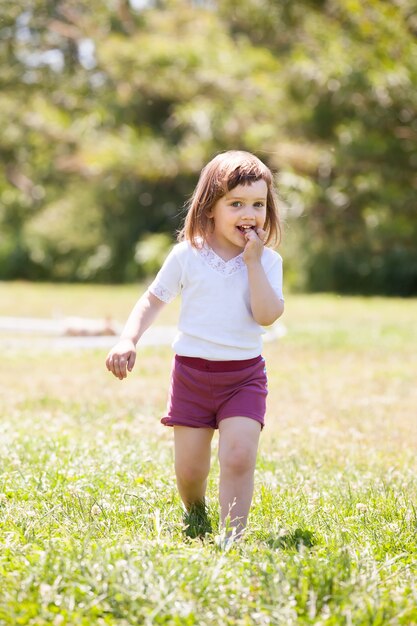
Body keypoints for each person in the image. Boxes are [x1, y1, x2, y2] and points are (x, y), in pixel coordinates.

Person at [106, 150, 284, 543]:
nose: (248, 214)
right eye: (235, 204)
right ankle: (196, 510)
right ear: (210, 208)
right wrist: (128, 338)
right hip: (192, 375)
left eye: (258, 204)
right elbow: (153, 299)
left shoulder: (268, 261)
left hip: (243, 377)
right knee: (189, 471)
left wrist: (253, 264)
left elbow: (267, 315)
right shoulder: (189, 255)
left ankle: (232, 536)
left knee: (239, 455)